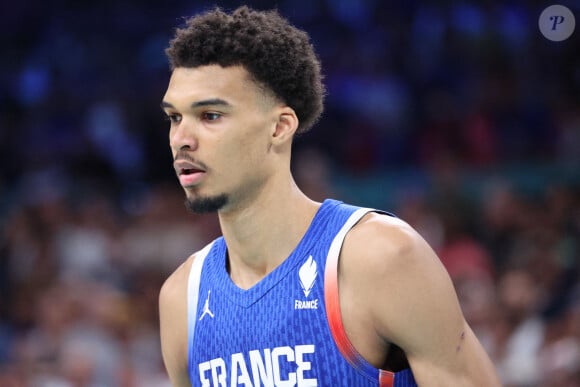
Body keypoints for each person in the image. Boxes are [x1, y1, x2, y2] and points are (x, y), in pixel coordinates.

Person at [158, 6, 500, 387]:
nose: (181, 139)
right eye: (175, 117)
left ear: (280, 127)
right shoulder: (181, 298)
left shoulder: (379, 258)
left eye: (210, 116)